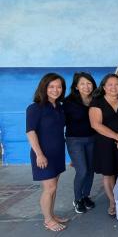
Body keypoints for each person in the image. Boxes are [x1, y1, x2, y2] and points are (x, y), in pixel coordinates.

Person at [89, 74, 118, 216]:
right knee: (109, 173)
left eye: (117, 84)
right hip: (105, 143)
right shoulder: (97, 102)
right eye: (110, 84)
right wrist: (117, 137)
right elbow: (95, 124)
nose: (113, 87)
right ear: (104, 87)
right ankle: (113, 202)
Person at [26, 73, 68, 231]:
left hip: (57, 153)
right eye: (51, 86)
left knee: (54, 187)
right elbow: (30, 132)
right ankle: (48, 220)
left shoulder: (59, 107)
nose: (55, 90)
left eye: (59, 87)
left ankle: (51, 214)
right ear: (44, 87)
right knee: (49, 188)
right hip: (43, 154)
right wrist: (39, 154)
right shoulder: (35, 108)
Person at [64, 72, 97, 214]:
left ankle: (85, 196)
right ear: (76, 86)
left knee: (90, 170)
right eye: (82, 83)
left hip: (92, 139)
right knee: (82, 170)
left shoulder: (96, 99)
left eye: (89, 83)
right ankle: (77, 199)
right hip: (75, 140)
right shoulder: (69, 101)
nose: (86, 86)